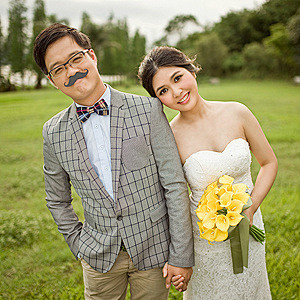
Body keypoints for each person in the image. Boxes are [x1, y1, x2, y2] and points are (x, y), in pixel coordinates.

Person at [34, 24, 194, 300]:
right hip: (98, 257)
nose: (71, 72)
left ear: (92, 56)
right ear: (51, 79)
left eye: (75, 59)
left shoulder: (148, 109)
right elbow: (57, 200)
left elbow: (174, 184)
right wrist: (79, 243)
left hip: (154, 249)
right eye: (59, 69)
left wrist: (181, 253)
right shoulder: (53, 131)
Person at [138, 46, 278, 299]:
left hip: (249, 224)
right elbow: (170, 198)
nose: (176, 92)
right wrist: (177, 256)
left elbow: (269, 162)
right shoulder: (169, 137)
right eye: (163, 91)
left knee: (250, 287)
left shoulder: (237, 112)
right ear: (157, 100)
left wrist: (251, 207)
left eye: (177, 78)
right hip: (205, 241)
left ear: (191, 69)